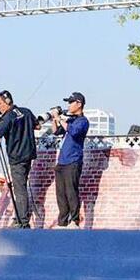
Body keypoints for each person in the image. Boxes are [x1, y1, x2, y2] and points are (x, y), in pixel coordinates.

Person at [0, 91, 37, 228]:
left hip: (17, 158)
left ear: (7, 101)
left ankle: (22, 221)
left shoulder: (8, 117)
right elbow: (37, 126)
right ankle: (21, 218)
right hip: (28, 155)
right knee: (21, 187)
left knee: (19, 189)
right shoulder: (26, 111)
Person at [52, 92, 89, 227]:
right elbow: (56, 131)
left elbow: (73, 132)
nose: (68, 105)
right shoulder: (70, 120)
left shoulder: (82, 121)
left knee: (71, 192)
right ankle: (62, 221)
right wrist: (54, 118)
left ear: (78, 104)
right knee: (60, 194)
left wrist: (60, 118)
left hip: (73, 161)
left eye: (71, 102)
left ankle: (74, 220)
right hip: (61, 162)